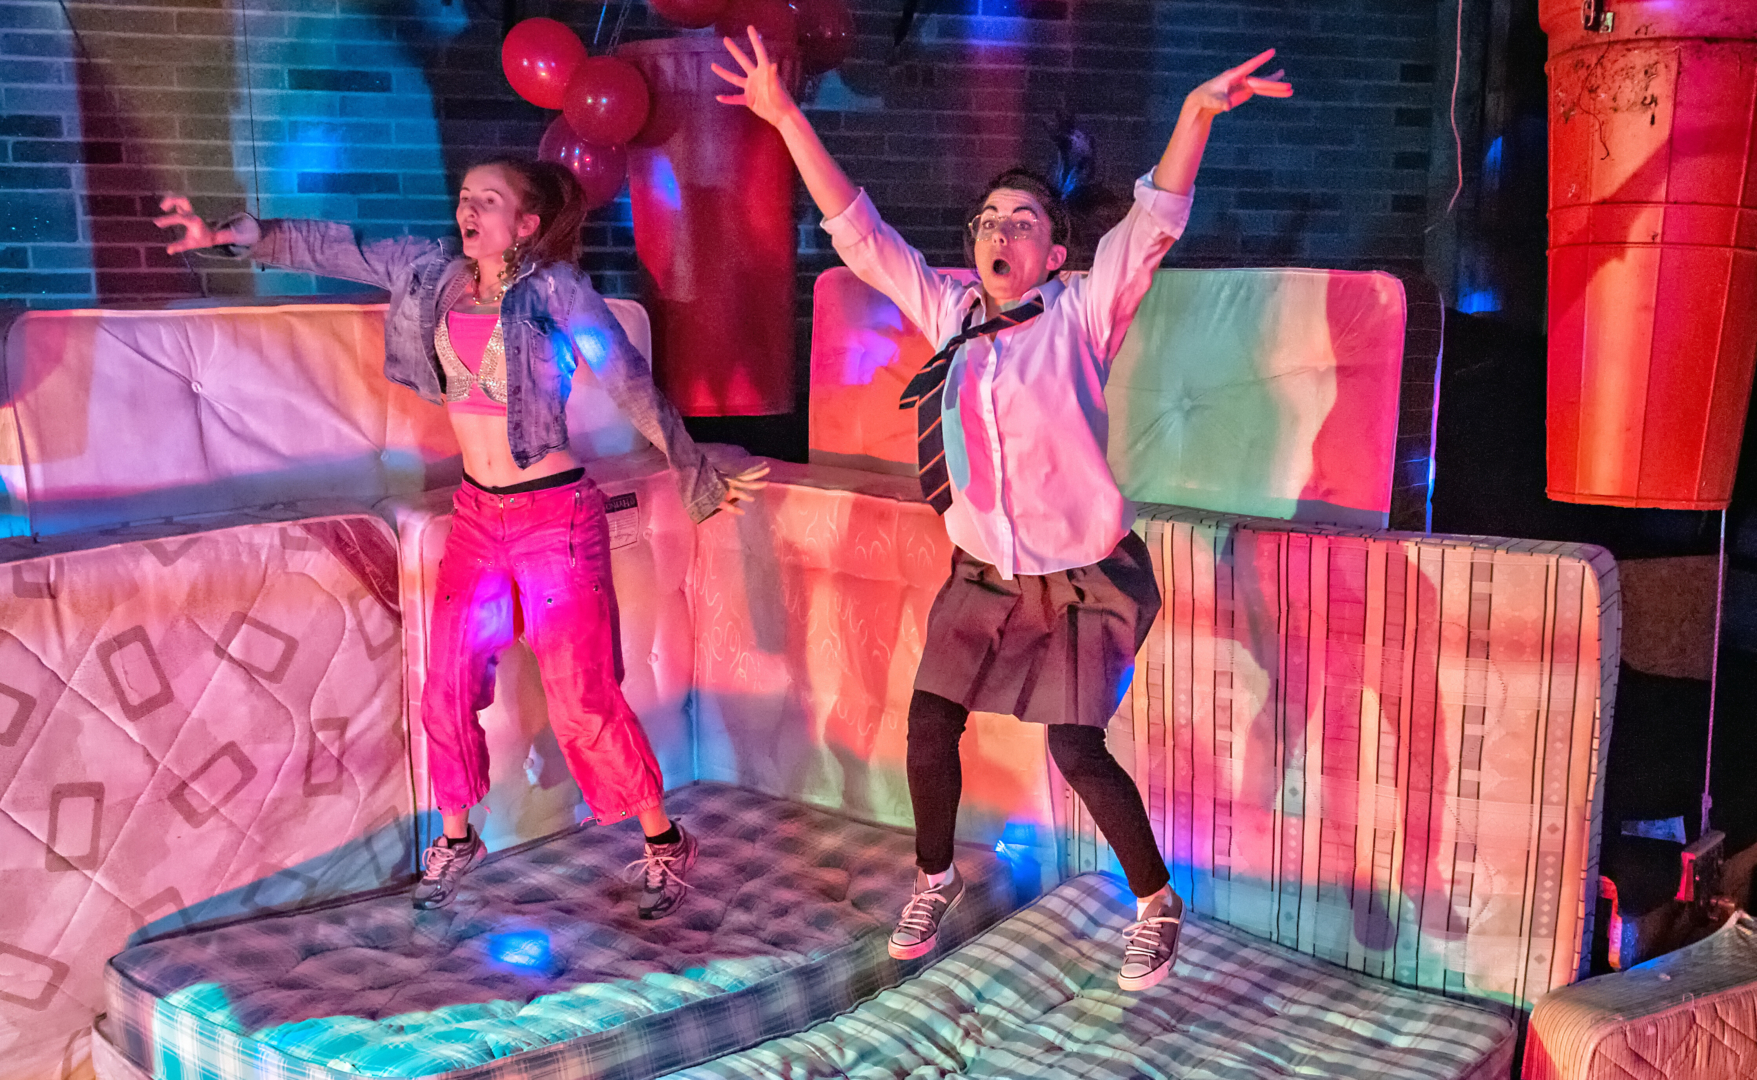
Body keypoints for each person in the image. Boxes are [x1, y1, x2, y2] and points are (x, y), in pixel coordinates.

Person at [715, 29, 1289, 987]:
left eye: (1021, 221)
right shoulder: (950, 316)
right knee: (930, 721)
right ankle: (934, 878)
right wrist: (784, 117)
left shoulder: (1080, 313)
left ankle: (1155, 896)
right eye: (987, 220)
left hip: (1081, 576)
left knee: (1074, 745)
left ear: (1055, 250)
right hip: (983, 571)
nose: (997, 233)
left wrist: (1193, 116)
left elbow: (1151, 223)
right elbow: (862, 234)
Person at [155, 158, 768, 919]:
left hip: (554, 520)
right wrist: (243, 236)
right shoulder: (430, 277)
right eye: (464, 198)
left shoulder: (556, 292)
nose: (468, 210)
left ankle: (664, 839)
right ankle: (456, 837)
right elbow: (342, 251)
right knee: (444, 685)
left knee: (581, 701)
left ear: (528, 223)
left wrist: (696, 471)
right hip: (480, 518)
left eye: (489, 200)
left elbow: (629, 381)